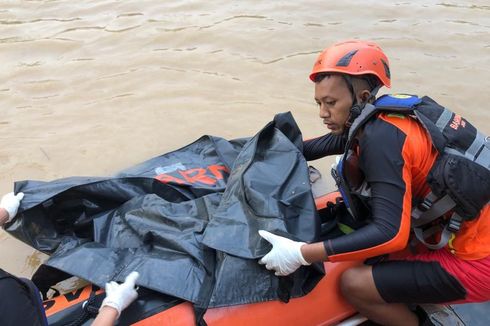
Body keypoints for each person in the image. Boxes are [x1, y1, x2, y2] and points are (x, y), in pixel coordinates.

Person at [258, 40, 490, 326]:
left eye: (331, 103)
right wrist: (260, 151)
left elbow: (389, 233)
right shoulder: (389, 117)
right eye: (318, 103)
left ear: (362, 96)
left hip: (480, 260)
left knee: (355, 284)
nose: (322, 113)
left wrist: (302, 254)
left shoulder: (381, 139)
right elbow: (327, 143)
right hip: (471, 225)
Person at [0, 192, 139, 326]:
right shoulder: (8, 296)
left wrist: (5, 212)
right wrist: (112, 307)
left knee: (39, 279)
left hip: (14, 292)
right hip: (11, 300)